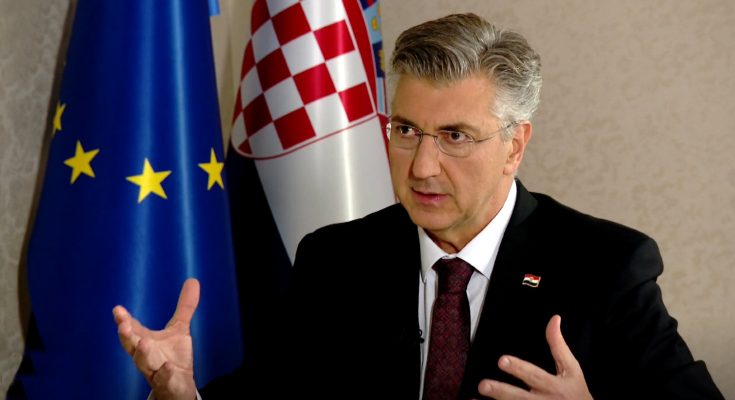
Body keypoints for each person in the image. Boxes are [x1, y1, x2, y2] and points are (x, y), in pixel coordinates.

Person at [113, 13, 725, 400]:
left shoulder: (605, 267)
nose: (422, 166)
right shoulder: (337, 259)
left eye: (455, 136)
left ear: (515, 146)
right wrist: (182, 391)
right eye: (406, 130)